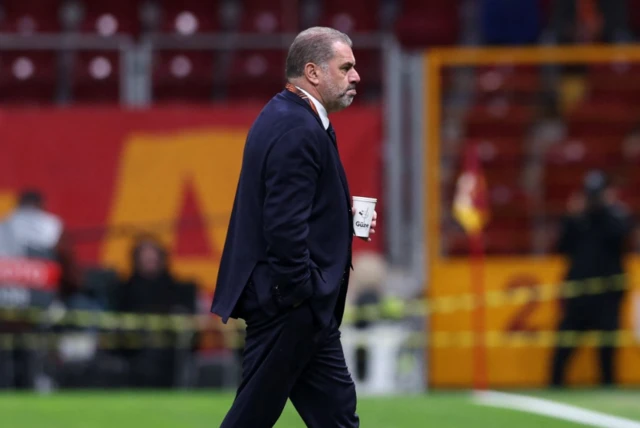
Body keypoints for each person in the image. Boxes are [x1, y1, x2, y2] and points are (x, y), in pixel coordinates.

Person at [211, 27, 376, 427]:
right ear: (313, 72)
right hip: (290, 304)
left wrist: (339, 212)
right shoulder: (298, 128)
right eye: (346, 67)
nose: (356, 76)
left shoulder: (289, 115)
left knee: (337, 417)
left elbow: (293, 206)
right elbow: (283, 226)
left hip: (301, 306)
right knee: (251, 417)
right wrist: (302, 290)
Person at [550, 170, 632, 387]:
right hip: (578, 292)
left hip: (607, 293)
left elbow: (622, 238)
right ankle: (555, 384)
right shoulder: (577, 219)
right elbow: (561, 247)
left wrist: (608, 209)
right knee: (565, 343)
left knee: (607, 346)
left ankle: (608, 384)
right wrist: (573, 216)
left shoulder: (616, 216)